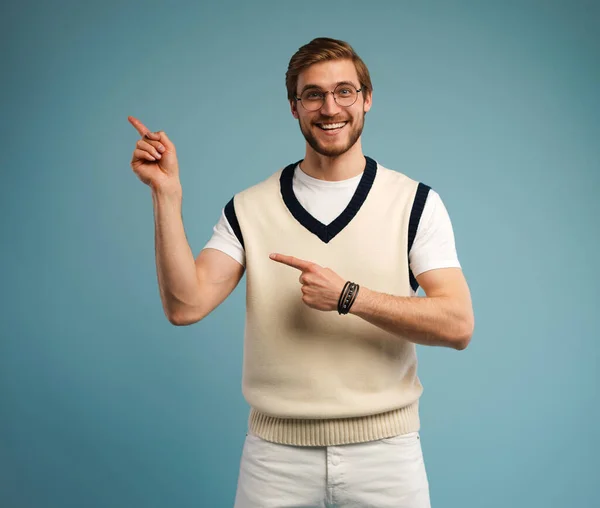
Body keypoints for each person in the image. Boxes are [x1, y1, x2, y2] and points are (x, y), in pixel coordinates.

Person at [128, 37, 474, 508]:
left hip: (386, 456)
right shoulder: (249, 208)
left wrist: (348, 296)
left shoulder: (415, 203)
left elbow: (457, 325)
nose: (330, 107)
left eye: (344, 92)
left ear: (367, 99)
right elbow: (185, 306)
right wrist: (166, 195)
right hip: (275, 459)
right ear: (294, 107)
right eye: (313, 94)